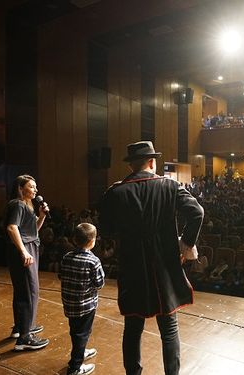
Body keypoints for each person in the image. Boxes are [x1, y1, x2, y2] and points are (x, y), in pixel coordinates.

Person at [99, 141, 204, 375]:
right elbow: (197, 212)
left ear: (131, 165)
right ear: (152, 161)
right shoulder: (169, 186)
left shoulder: (116, 191)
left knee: (133, 328)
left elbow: (105, 228)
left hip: (132, 267)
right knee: (169, 329)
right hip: (164, 268)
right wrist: (186, 244)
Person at [4, 175, 50, 351]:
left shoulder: (27, 205)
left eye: (36, 186)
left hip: (29, 246)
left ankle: (22, 327)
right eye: (32, 186)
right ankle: (25, 338)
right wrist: (23, 251)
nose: (36, 190)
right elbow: (11, 227)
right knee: (30, 290)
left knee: (24, 289)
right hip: (24, 250)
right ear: (20, 188)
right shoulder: (17, 204)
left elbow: (32, 231)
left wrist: (42, 216)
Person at [59, 223, 105, 375]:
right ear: (92, 241)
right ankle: (75, 367)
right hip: (86, 306)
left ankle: (81, 351)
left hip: (69, 304)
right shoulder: (93, 261)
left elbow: (61, 276)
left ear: (74, 239)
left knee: (76, 331)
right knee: (83, 333)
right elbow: (99, 284)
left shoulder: (66, 257)